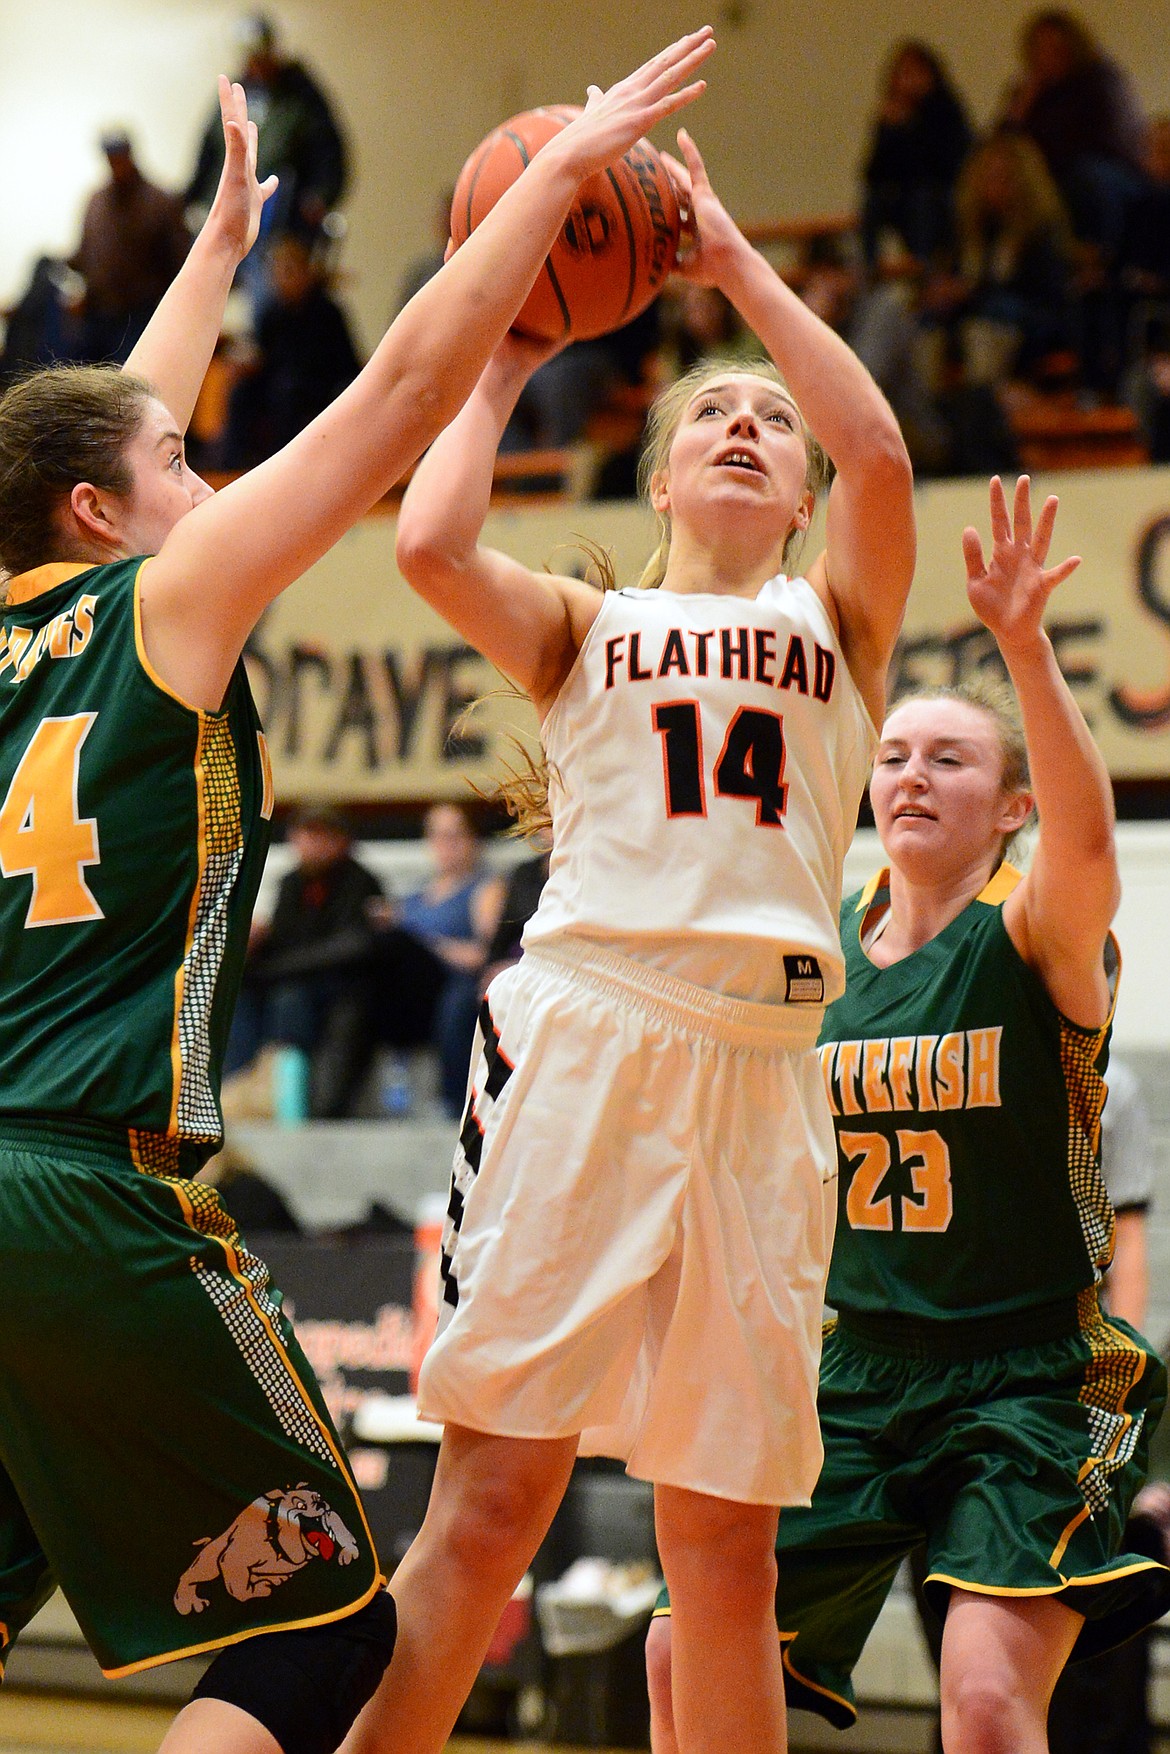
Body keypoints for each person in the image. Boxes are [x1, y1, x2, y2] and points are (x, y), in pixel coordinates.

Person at [0, 34, 716, 1754]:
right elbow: (396, 394)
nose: (212, 479)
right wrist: (554, 177)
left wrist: (219, 255)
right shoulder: (168, 602)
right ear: (110, 514)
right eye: (186, 464)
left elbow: (97, 434)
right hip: (88, 1194)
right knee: (319, 1635)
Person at [345, 115, 915, 1754]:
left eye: (767, 420)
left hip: (766, 1068)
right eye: (710, 415)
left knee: (727, 1547)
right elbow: (432, 543)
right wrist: (514, 349)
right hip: (591, 1031)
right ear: (660, 473)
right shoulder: (591, 624)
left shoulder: (841, 619)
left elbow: (881, 450)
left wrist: (734, 263)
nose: (747, 423)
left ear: (797, 490)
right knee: (494, 1502)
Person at [647, 476, 1170, 1754]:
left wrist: (1025, 652)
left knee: (987, 1702)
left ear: (1011, 805)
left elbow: (1092, 843)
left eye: (951, 759)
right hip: (856, 1363)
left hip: (1033, 1374)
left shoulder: (1037, 928)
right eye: (894, 755)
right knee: (678, 1644)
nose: (913, 776)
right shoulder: (813, 949)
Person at [226, 803, 384, 1118]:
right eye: (306, 834)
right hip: (290, 978)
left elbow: (351, 948)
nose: (313, 843)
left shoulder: (360, 882)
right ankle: (232, 1086)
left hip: (341, 985)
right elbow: (283, 937)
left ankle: (291, 1102)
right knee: (236, 993)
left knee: (290, 1000)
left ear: (343, 841)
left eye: (322, 835)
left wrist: (273, 969)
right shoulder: (290, 883)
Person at [396, 803, 505, 1121]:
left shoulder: (485, 888)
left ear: (474, 839)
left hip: (455, 984)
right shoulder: (415, 896)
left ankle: (450, 1099)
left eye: (455, 835)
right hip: (409, 989)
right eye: (438, 836)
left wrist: (428, 946)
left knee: (456, 1001)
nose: (446, 845)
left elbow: (487, 954)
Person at [71, 129, 190, 364]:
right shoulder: (96, 201)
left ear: (130, 154)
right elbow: (84, 255)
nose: (115, 163)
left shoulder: (161, 203)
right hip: (97, 315)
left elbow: (180, 264)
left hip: (141, 317)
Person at [860, 40, 973, 271]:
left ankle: (923, 269)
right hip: (903, 194)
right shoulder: (891, 115)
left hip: (939, 193)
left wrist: (911, 127)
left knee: (923, 199)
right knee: (873, 201)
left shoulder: (946, 109)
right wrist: (889, 131)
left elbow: (945, 163)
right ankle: (868, 269)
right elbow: (872, 173)